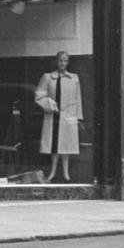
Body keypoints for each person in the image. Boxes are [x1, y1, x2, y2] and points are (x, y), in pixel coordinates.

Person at [35, 51, 84, 182]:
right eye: (60, 61)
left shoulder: (74, 78)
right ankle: (53, 171)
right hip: (53, 116)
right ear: (56, 61)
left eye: (65, 61)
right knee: (54, 144)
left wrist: (78, 117)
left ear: (68, 63)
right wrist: (50, 104)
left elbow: (78, 98)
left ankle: (66, 173)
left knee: (66, 145)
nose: (62, 63)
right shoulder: (47, 77)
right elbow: (39, 96)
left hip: (68, 116)